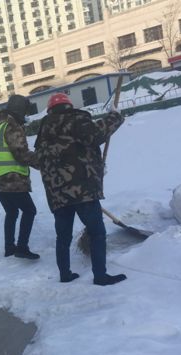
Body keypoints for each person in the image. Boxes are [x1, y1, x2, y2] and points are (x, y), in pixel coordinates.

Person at [34, 92, 126, 285]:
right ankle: (100, 276)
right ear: (68, 106)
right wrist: (115, 116)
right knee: (96, 233)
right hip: (82, 189)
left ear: (50, 110)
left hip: (57, 194)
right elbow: (95, 135)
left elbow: (40, 161)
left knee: (63, 236)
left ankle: (65, 274)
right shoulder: (76, 119)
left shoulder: (43, 131)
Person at [0, 94, 40, 259]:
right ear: (21, 110)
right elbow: (21, 153)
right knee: (29, 210)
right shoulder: (11, 125)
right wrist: (42, 162)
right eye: (25, 111)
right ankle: (21, 247)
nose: (25, 115)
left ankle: (9, 248)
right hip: (9, 178)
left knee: (12, 211)